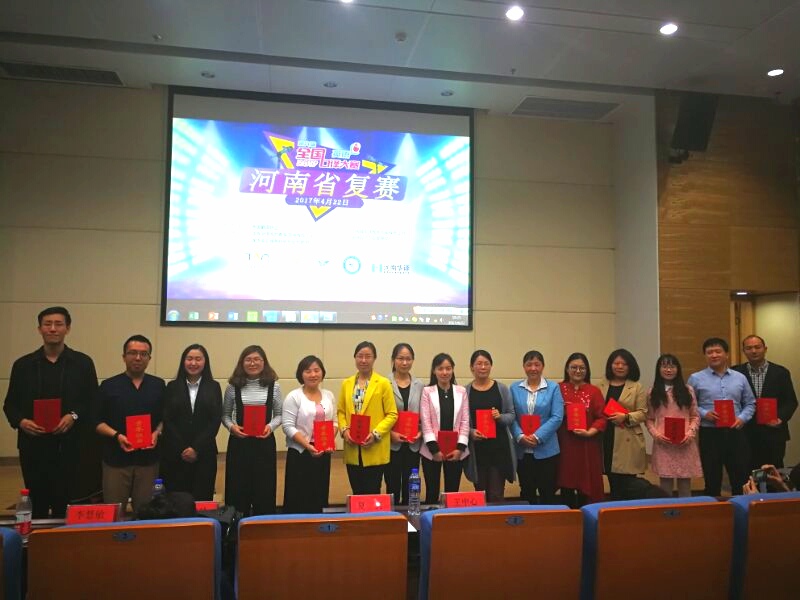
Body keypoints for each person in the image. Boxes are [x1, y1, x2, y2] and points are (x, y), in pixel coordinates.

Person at [3, 306, 99, 518]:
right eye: (48, 324)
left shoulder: (82, 363)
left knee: (66, 503)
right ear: (39, 329)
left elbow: (92, 401)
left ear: (68, 328)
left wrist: (73, 416)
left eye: (58, 324)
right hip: (33, 446)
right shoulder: (23, 365)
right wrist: (21, 421)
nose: (53, 328)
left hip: (71, 446)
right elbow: (10, 405)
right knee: (36, 502)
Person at [95, 335, 165, 513]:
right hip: (116, 460)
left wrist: (156, 432)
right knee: (114, 511)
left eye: (143, 354)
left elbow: (165, 418)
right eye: (132, 353)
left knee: (146, 512)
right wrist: (117, 436)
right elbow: (96, 421)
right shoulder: (108, 386)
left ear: (149, 358)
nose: (138, 358)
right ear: (124, 356)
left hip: (148, 461)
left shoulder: (158, 385)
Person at [687, 337, 755, 496]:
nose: (714, 355)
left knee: (740, 477)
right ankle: (713, 509)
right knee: (712, 478)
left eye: (718, 351)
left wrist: (742, 418)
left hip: (736, 432)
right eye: (709, 352)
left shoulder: (740, 377)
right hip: (710, 434)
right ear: (705, 355)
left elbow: (750, 403)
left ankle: (740, 507)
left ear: (726, 354)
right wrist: (705, 413)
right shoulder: (695, 378)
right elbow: (688, 405)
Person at [222, 345, 282, 516]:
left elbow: (279, 415)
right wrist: (232, 427)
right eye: (248, 360)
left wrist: (270, 427)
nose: (252, 363)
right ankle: (235, 528)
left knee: (264, 489)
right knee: (237, 489)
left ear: (264, 362)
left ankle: (263, 526)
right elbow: (225, 415)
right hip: (239, 445)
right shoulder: (232, 387)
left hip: (264, 445)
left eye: (257, 359)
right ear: (242, 363)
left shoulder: (274, 386)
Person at [160, 344, 222, 501]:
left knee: (202, 499)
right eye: (189, 359)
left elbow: (215, 420)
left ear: (205, 362)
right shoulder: (172, 387)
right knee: (177, 500)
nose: (193, 363)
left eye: (198, 359)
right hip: (176, 454)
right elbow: (167, 420)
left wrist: (196, 448)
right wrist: (183, 448)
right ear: (183, 361)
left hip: (204, 453)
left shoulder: (214, 387)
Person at [337, 341, 398, 495]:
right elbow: (341, 412)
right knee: (356, 491)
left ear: (374, 358)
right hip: (352, 446)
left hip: (374, 447)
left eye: (368, 356)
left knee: (372, 491)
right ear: (355, 358)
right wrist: (344, 431)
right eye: (360, 356)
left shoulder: (383, 383)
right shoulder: (347, 383)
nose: (363, 360)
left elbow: (392, 414)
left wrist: (375, 434)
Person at [733, 335, 798, 469]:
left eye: (757, 347)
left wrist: (780, 418)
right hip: (745, 432)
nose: (754, 351)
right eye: (749, 348)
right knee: (745, 471)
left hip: (773, 433)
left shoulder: (781, 372)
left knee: (773, 471)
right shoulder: (735, 373)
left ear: (765, 349)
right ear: (744, 351)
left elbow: (791, 401)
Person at [282, 355, 336, 514]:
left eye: (316, 370)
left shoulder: (329, 395)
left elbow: (335, 422)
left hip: (323, 451)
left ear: (322, 373)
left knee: (319, 494)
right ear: (301, 374)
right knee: (299, 496)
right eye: (308, 371)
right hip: (300, 453)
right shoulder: (294, 396)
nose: (313, 374)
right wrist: (308, 446)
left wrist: (330, 441)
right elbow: (288, 426)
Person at [508, 350, 563, 504]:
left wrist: (537, 437)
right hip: (522, 450)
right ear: (524, 367)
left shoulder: (553, 388)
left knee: (548, 491)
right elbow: (512, 416)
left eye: (537, 364)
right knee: (527, 491)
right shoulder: (514, 388)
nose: (533, 368)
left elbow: (557, 417)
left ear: (543, 366)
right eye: (529, 364)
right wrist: (519, 436)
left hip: (547, 450)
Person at [645, 354, 702, 497]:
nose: (668, 370)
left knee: (685, 485)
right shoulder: (653, 392)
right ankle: (667, 510)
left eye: (672, 366)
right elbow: (649, 419)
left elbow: (695, 416)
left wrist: (690, 433)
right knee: (665, 485)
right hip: (663, 443)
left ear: (678, 369)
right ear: (658, 369)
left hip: (685, 442)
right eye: (664, 366)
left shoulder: (688, 390)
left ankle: (685, 510)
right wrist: (656, 434)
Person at [465, 350, 516, 503]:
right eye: (479, 364)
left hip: (499, 450)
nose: (483, 367)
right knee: (480, 494)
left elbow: (511, 415)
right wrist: (471, 432)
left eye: (486, 363)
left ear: (491, 366)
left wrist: (500, 417)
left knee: (496, 494)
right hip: (478, 451)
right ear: (472, 367)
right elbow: (461, 421)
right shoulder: (465, 391)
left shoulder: (502, 389)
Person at [556, 353, 606, 508]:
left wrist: (590, 432)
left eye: (582, 368)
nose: (578, 371)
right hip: (564, 443)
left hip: (587, 445)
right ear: (567, 369)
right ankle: (568, 518)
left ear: (587, 370)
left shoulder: (594, 391)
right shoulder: (558, 388)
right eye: (574, 367)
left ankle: (586, 517)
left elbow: (602, 417)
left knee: (587, 485)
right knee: (566, 481)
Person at [419, 353, 470, 504]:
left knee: (452, 492)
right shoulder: (427, 391)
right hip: (431, 450)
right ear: (434, 371)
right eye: (440, 368)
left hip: (456, 450)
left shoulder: (461, 391)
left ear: (453, 370)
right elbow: (426, 422)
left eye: (448, 368)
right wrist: (434, 450)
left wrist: (460, 448)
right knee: (432, 492)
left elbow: (465, 421)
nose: (444, 372)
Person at [597, 349, 647, 500]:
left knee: (627, 481)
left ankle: (627, 508)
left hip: (627, 436)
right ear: (610, 365)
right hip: (607, 435)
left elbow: (644, 413)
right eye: (616, 363)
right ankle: (614, 506)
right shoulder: (601, 385)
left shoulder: (637, 387)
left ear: (630, 366)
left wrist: (625, 417)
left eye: (624, 364)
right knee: (611, 476)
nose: (619, 366)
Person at [384, 343, 424, 506]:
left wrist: (421, 432)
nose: (404, 362)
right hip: (391, 443)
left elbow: (424, 413)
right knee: (392, 484)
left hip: (413, 444)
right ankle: (393, 517)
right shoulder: (384, 383)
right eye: (400, 358)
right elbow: (379, 414)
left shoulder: (420, 385)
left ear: (413, 360)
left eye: (408, 359)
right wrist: (389, 434)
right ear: (393, 360)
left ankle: (412, 517)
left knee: (411, 486)